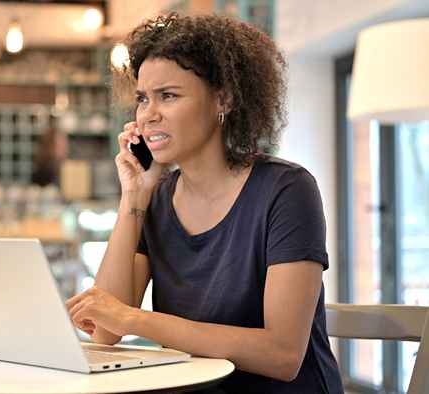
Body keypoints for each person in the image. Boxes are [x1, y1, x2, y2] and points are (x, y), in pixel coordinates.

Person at [65, 13, 343, 394]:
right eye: (143, 99)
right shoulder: (157, 199)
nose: (148, 115)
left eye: (169, 96)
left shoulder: (287, 190)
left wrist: (137, 320)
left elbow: (282, 355)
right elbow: (107, 330)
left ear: (223, 99)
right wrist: (134, 195)